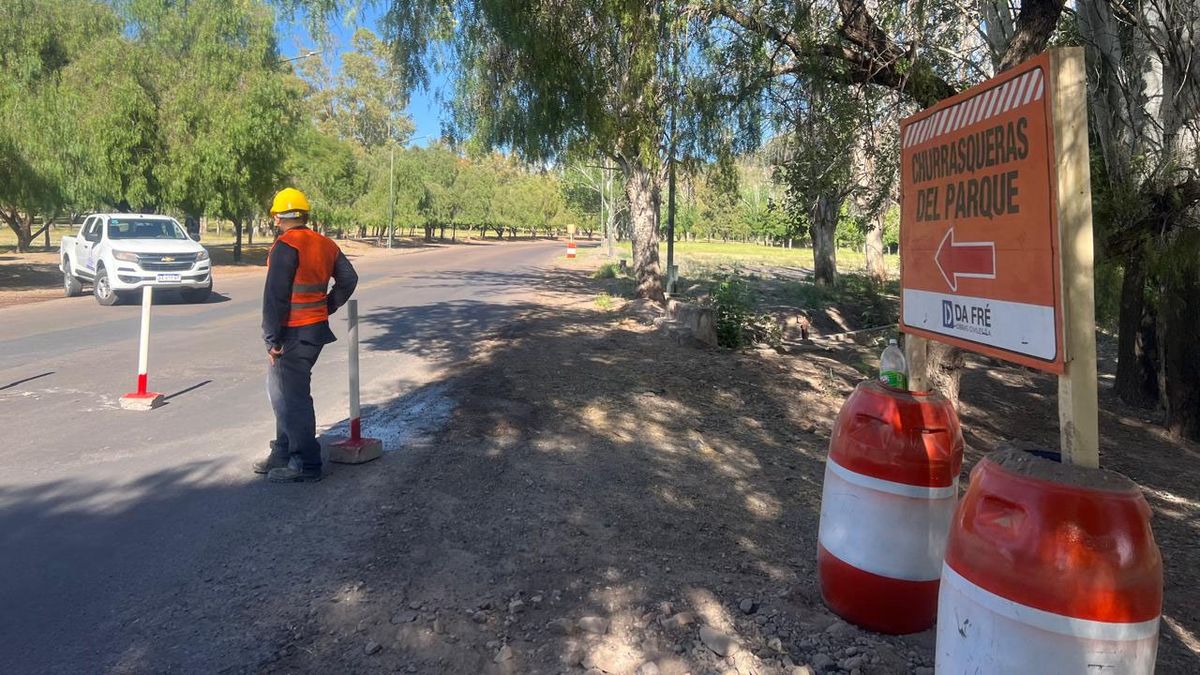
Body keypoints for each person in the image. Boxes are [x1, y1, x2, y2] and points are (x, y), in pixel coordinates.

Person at [253, 187, 358, 483]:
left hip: (292, 334)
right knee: (283, 392)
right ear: (305, 214)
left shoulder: (286, 246)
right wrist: (328, 305)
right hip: (314, 331)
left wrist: (271, 340)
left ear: (277, 217)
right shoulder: (325, 244)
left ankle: (306, 463)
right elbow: (349, 279)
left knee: (291, 398)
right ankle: (282, 452)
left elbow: (275, 297)